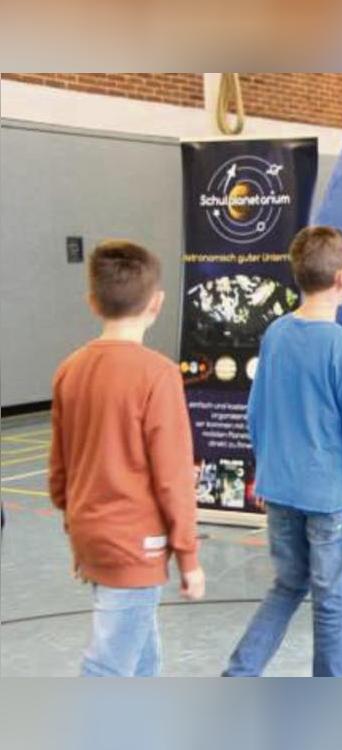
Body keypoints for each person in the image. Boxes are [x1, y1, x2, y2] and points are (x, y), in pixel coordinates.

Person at [223, 226, 342, 677]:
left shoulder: (276, 333)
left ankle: (239, 674)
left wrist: (267, 473)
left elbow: (255, 413)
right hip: (328, 500)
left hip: (279, 491)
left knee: (288, 584)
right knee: (332, 602)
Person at [49, 240, 205, 677]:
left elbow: (59, 472)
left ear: (93, 302)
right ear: (156, 304)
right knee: (108, 666)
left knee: (143, 655)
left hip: (90, 534)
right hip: (134, 543)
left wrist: (76, 523)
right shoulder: (158, 374)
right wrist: (188, 558)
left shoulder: (69, 369)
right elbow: (173, 477)